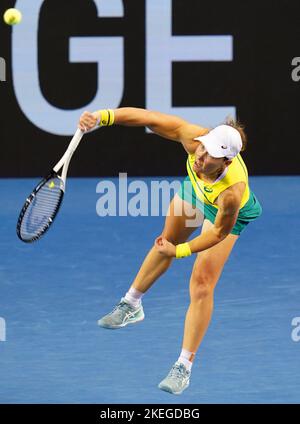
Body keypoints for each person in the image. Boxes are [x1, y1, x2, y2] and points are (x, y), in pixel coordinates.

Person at [78, 108, 262, 395]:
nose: (200, 156)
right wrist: (103, 116)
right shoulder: (195, 140)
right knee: (163, 241)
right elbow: (150, 119)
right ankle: (131, 304)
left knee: (201, 284)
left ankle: (183, 367)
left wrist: (181, 251)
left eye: (210, 155)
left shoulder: (231, 195)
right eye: (202, 148)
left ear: (226, 161)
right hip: (196, 190)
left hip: (222, 216)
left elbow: (218, 233)